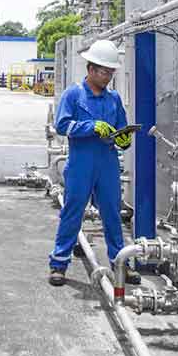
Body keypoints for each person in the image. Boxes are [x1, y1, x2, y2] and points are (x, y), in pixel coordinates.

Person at [47, 39, 138, 287]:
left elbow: (122, 128)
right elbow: (62, 125)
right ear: (91, 69)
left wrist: (124, 138)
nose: (108, 76)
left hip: (107, 162)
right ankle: (59, 264)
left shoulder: (114, 99)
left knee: (112, 213)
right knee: (73, 212)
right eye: (104, 71)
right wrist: (90, 126)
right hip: (81, 162)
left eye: (111, 72)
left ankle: (120, 263)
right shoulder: (74, 95)